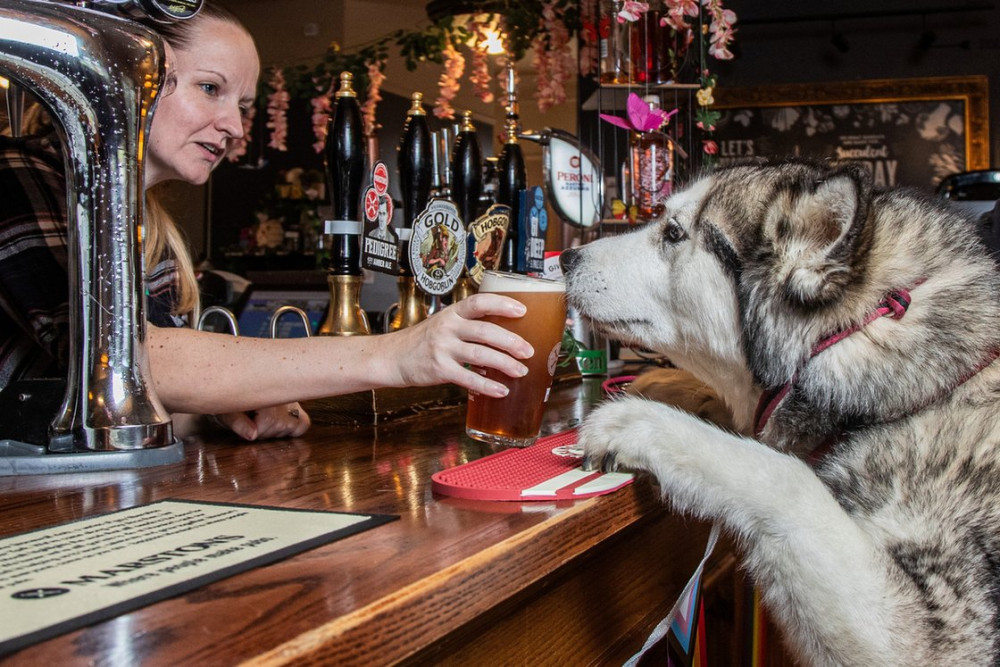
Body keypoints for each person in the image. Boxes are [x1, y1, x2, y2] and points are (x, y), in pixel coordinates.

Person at [0, 5, 533, 442]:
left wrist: (217, 408)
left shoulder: (148, 225)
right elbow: (126, 363)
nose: (233, 126)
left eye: (244, 105)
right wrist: (398, 353)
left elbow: (139, 402)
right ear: (125, 76)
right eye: (211, 89)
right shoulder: (20, 175)